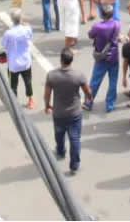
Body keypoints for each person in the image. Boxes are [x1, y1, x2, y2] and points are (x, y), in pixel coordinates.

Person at [45, 47, 91, 176]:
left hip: (58, 113)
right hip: (75, 113)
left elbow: (47, 94)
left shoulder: (52, 75)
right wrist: (89, 98)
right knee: (75, 139)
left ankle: (60, 151)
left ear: (61, 60)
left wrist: (47, 105)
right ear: (71, 60)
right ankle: (74, 166)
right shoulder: (78, 75)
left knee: (59, 135)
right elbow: (87, 92)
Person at [87, 6, 122, 113]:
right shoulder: (117, 24)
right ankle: (110, 105)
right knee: (113, 82)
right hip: (114, 56)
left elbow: (90, 35)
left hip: (101, 57)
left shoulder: (98, 26)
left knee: (95, 81)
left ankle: (89, 102)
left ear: (102, 15)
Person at [1, 9, 36, 109]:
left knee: (13, 85)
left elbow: (4, 44)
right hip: (26, 61)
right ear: (21, 18)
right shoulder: (27, 29)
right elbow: (30, 37)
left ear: (11, 20)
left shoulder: (8, 33)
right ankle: (30, 100)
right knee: (28, 81)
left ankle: (15, 103)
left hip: (13, 64)